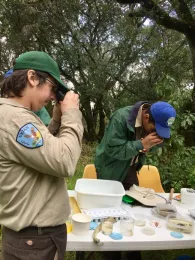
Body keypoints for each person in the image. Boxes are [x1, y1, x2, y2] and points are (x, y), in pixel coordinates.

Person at [0, 51, 83, 260]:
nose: (54, 96)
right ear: (32, 78)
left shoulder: (13, 116)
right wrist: (72, 114)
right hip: (35, 241)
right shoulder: (17, 120)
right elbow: (65, 161)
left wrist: (55, 122)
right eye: (52, 88)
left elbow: (40, 152)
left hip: (28, 238)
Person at [95, 101, 176, 260]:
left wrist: (149, 145)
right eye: (156, 130)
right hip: (109, 167)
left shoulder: (153, 121)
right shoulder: (121, 118)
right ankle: (111, 253)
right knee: (109, 211)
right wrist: (141, 144)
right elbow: (112, 150)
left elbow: (152, 144)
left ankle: (133, 251)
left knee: (133, 208)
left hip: (130, 168)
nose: (158, 134)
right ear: (146, 117)